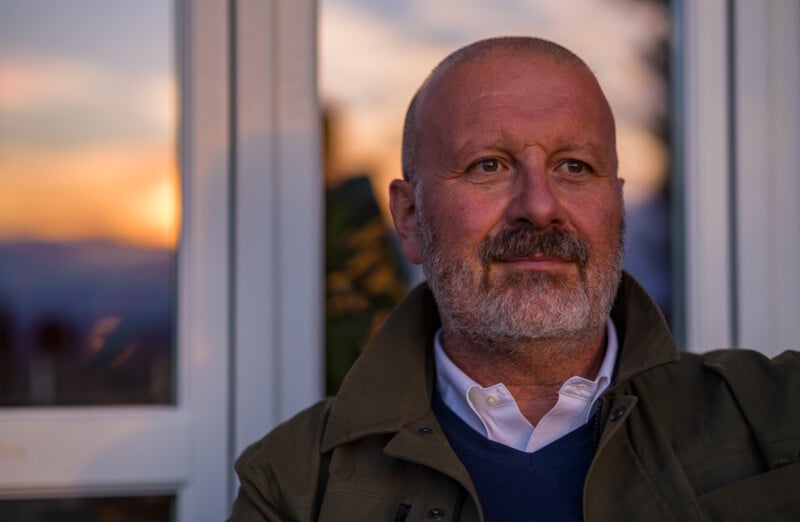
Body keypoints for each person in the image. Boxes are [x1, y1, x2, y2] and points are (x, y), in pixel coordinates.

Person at [228, 37, 800, 521]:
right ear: (410, 220)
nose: (539, 206)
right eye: (489, 165)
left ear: (617, 207)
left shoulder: (774, 411)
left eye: (574, 166)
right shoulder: (294, 486)